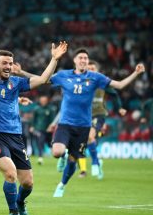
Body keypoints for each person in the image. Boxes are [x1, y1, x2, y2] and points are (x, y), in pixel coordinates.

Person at [0, 43, 68, 215]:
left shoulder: (17, 83)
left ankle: (20, 202)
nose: (8, 66)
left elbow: (43, 79)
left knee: (28, 183)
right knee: (10, 173)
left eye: (10, 63)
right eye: (4, 63)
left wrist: (54, 59)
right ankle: (13, 211)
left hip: (16, 137)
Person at [52, 48, 145, 198]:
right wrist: (21, 73)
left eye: (85, 58)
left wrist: (136, 73)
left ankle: (62, 185)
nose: (83, 60)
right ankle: (66, 155)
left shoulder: (96, 78)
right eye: (80, 57)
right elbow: (42, 79)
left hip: (84, 125)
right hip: (66, 123)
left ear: (88, 62)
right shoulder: (64, 75)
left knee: (73, 160)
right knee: (57, 152)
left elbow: (119, 86)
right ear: (75, 60)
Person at [77, 60, 126, 179]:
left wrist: (119, 108)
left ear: (97, 71)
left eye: (93, 68)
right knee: (81, 144)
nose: (91, 70)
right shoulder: (80, 82)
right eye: (89, 68)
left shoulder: (102, 82)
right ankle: (90, 166)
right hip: (83, 116)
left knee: (89, 137)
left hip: (98, 115)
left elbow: (114, 94)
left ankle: (94, 163)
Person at [29, 95, 56, 165]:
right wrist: (32, 126)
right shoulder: (36, 109)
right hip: (40, 129)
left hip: (49, 130)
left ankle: (56, 156)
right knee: (40, 142)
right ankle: (40, 158)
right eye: (42, 100)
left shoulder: (51, 109)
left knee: (50, 143)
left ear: (47, 101)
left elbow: (53, 119)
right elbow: (33, 119)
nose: (43, 102)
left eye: (44, 101)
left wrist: (52, 127)